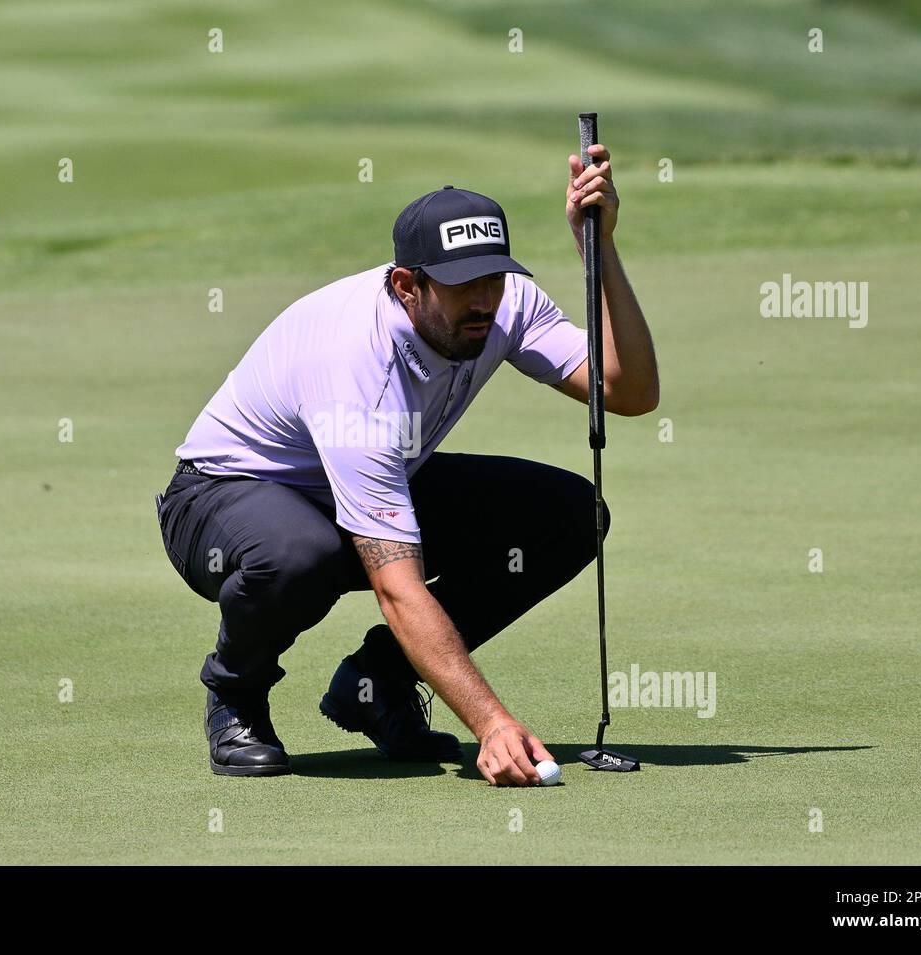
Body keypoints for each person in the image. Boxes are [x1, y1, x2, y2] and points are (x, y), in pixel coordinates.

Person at [157, 145, 658, 785]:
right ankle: (236, 696)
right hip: (222, 499)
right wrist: (492, 724)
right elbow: (398, 586)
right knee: (299, 556)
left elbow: (631, 391)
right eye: (460, 285)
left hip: (364, 480)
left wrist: (599, 249)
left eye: (494, 277)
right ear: (406, 285)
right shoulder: (354, 363)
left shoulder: (507, 304)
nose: (483, 301)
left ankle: (377, 683)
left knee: (568, 515)